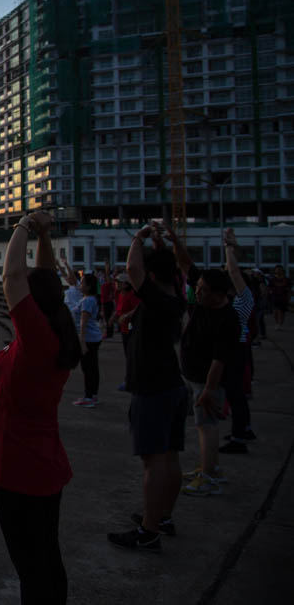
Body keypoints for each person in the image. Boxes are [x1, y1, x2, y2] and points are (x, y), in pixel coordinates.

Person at [0, 211, 79, 604]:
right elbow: (43, 281)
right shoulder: (54, 329)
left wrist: (22, 226)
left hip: (19, 468)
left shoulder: (38, 342)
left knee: (33, 567)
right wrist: (43, 236)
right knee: (45, 558)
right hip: (39, 463)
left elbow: (13, 278)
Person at [107, 223, 187, 553]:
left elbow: (132, 267)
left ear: (151, 278)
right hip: (171, 386)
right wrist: (162, 243)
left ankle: (148, 531)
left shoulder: (155, 299)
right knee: (169, 457)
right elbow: (177, 265)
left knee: (153, 463)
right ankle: (162, 517)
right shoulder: (176, 296)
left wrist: (138, 238)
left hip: (152, 389)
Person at [175, 239, 237, 498]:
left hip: (206, 381)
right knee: (202, 426)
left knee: (207, 426)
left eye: (203, 290)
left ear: (220, 294)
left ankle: (210, 477)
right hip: (194, 376)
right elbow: (186, 264)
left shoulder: (227, 319)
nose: (197, 293)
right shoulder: (204, 303)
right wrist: (173, 239)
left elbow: (219, 360)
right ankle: (209, 468)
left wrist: (209, 390)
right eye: (198, 288)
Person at [220, 229, 257, 454]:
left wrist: (228, 247)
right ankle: (245, 428)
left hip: (236, 349)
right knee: (237, 395)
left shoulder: (244, 299)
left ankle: (238, 438)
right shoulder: (240, 300)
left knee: (235, 393)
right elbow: (231, 270)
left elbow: (233, 271)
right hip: (239, 348)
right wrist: (232, 248)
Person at [72, 273, 104, 408]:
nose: (80, 285)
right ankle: (92, 395)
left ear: (89, 286)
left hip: (88, 338)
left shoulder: (87, 301)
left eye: (83, 283)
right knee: (93, 367)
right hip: (93, 337)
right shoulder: (90, 299)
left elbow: (83, 322)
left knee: (88, 368)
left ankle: (89, 397)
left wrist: (82, 342)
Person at [109, 274, 140, 391]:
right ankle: (130, 379)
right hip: (124, 328)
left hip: (131, 328)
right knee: (128, 355)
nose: (116, 284)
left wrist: (127, 315)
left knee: (132, 355)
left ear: (126, 284)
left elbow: (138, 307)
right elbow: (118, 309)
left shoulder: (132, 295)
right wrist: (113, 317)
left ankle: (131, 380)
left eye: (119, 282)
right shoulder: (119, 295)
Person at [100, 263, 116, 338]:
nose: (103, 277)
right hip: (105, 302)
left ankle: (109, 333)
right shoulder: (104, 284)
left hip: (107, 303)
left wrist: (107, 268)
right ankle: (109, 332)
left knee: (108, 319)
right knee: (106, 319)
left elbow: (108, 276)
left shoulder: (108, 284)